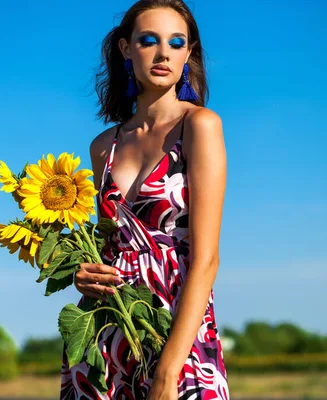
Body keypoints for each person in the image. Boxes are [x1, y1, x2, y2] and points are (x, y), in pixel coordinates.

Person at [60, 1, 228, 398]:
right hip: (105, 335)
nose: (163, 53)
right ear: (125, 49)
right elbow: (106, 248)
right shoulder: (104, 146)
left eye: (176, 42)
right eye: (149, 40)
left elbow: (206, 258)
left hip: (175, 330)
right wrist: (82, 275)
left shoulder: (199, 126)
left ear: (188, 53)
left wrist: (169, 372)